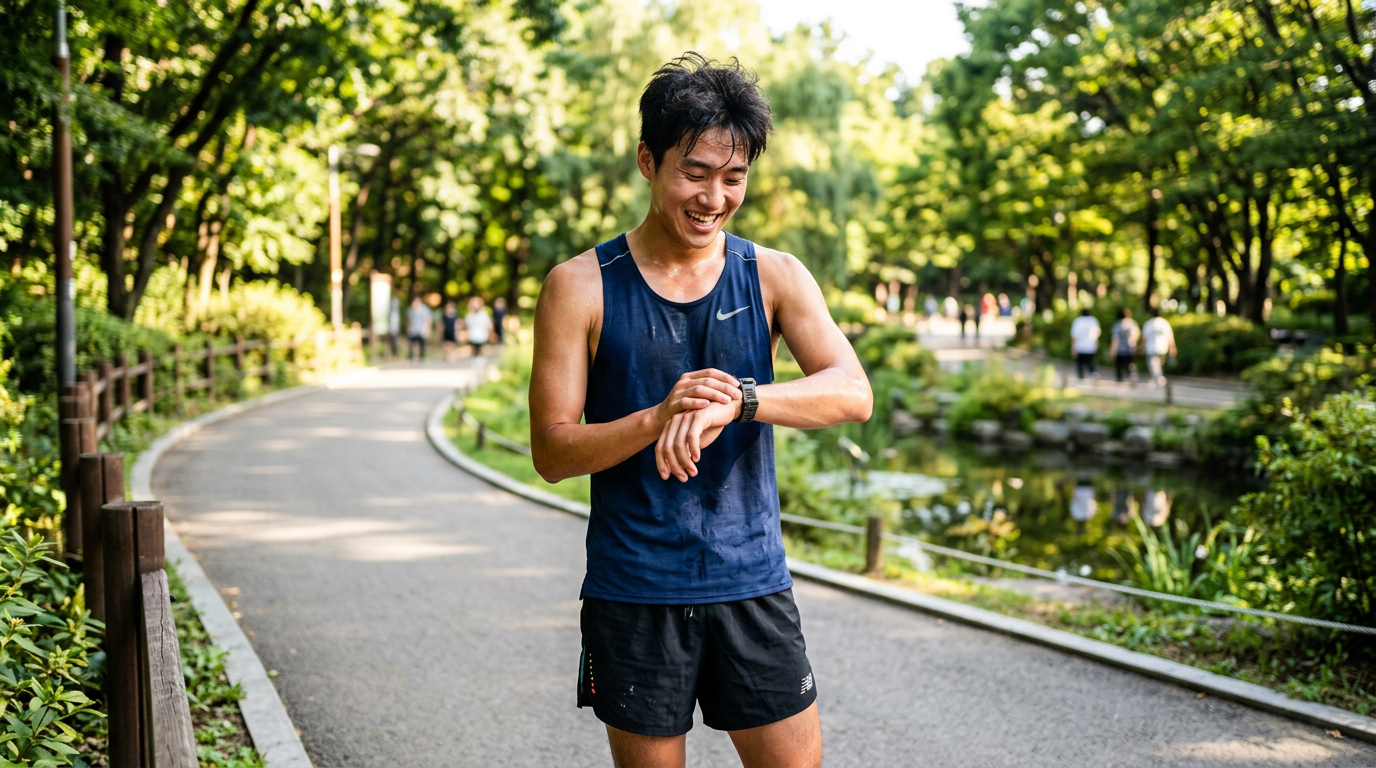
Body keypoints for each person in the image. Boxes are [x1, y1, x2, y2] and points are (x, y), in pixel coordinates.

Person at [528, 53, 871, 768]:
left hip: (753, 582)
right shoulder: (579, 286)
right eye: (695, 172)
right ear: (648, 161)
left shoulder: (774, 275)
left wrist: (739, 401)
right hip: (635, 590)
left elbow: (851, 391)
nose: (714, 197)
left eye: (734, 177)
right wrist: (657, 417)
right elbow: (553, 452)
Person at [1142, 308, 1177, 386]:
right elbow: (1170, 337)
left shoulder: (1148, 324)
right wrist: (1172, 348)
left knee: (1153, 365)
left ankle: (1160, 379)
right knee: (1158, 365)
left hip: (1151, 348)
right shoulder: (1164, 323)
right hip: (1163, 348)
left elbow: (1144, 338)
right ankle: (1158, 379)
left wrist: (1142, 347)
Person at [1109, 307, 1140, 382]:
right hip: (1130, 348)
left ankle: (1119, 379)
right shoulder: (1132, 323)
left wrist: (1113, 348)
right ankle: (1132, 375)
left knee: (1119, 365)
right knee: (1130, 363)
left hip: (1119, 349)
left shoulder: (1118, 324)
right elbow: (1137, 334)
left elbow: (1115, 338)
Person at [1070, 308, 1101, 379]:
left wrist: (1073, 347)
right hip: (1090, 346)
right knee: (1090, 362)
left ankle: (1080, 377)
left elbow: (1074, 336)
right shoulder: (1093, 321)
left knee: (1080, 363)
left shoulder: (1077, 321)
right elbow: (1097, 333)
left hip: (1080, 346)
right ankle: (1093, 374)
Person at [406, 296, 430, 362]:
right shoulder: (411, 310)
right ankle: (411, 357)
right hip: (413, 330)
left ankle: (421, 357)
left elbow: (428, 320)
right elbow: (409, 320)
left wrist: (426, 329)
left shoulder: (424, 310)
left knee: (421, 345)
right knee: (411, 344)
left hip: (421, 330)